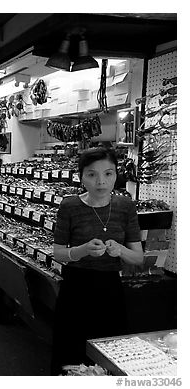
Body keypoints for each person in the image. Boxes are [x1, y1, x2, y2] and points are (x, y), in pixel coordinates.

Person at [50, 147, 143, 375]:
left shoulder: (125, 207)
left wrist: (120, 250)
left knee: (109, 353)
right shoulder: (69, 205)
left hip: (110, 290)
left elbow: (138, 257)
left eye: (108, 174)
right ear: (81, 176)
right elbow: (58, 253)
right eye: (92, 174)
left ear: (116, 175)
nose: (101, 181)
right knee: (70, 353)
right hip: (75, 289)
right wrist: (81, 251)